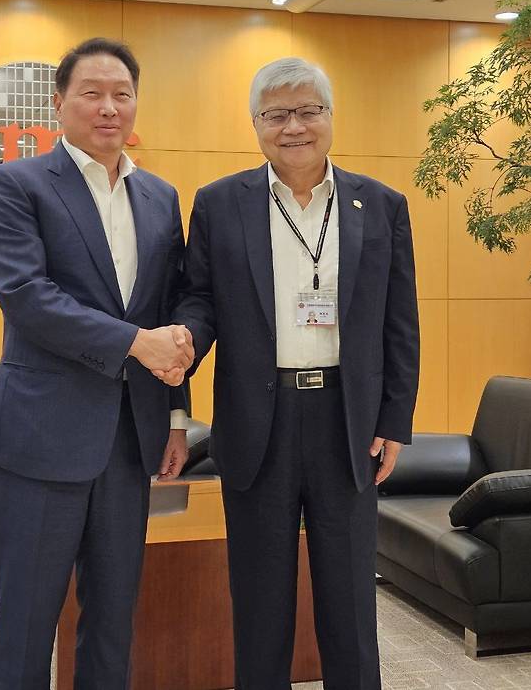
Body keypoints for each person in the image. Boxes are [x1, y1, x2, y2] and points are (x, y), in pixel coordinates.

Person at [171, 57, 420, 690]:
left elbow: (400, 323)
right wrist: (181, 352)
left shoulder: (382, 205)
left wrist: (394, 419)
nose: (294, 127)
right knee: (259, 601)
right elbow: (198, 299)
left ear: (330, 117)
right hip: (260, 421)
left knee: (350, 603)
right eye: (276, 114)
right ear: (256, 123)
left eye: (308, 111)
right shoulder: (221, 203)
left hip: (347, 422)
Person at [0, 37, 193, 689]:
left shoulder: (159, 195)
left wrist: (177, 413)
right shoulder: (15, 184)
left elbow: (171, 304)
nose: (108, 107)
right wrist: (135, 342)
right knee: (26, 623)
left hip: (130, 443)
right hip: (42, 442)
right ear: (59, 101)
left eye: (121, 94)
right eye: (92, 93)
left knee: (113, 618)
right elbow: (28, 297)